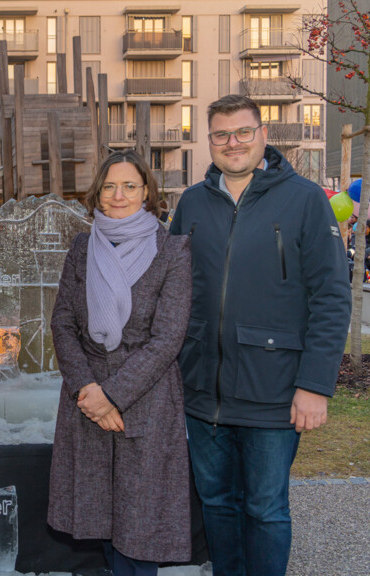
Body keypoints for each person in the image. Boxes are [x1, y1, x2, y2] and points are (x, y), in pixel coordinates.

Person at [170, 94, 351, 576]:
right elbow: (169, 294)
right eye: (221, 134)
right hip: (202, 390)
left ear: (263, 135)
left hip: (274, 388)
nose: (233, 143)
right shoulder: (191, 203)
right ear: (209, 141)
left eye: (243, 132)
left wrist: (314, 385)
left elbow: (332, 298)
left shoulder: (306, 199)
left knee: (265, 508)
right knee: (217, 503)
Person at [48, 149, 192, 576]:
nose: (118, 195)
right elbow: (62, 323)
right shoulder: (82, 246)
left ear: (146, 191)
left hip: (145, 402)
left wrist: (112, 397)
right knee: (103, 525)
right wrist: (87, 390)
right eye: (109, 186)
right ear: (98, 192)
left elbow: (167, 339)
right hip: (87, 399)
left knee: (140, 531)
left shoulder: (173, 250)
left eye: (129, 186)